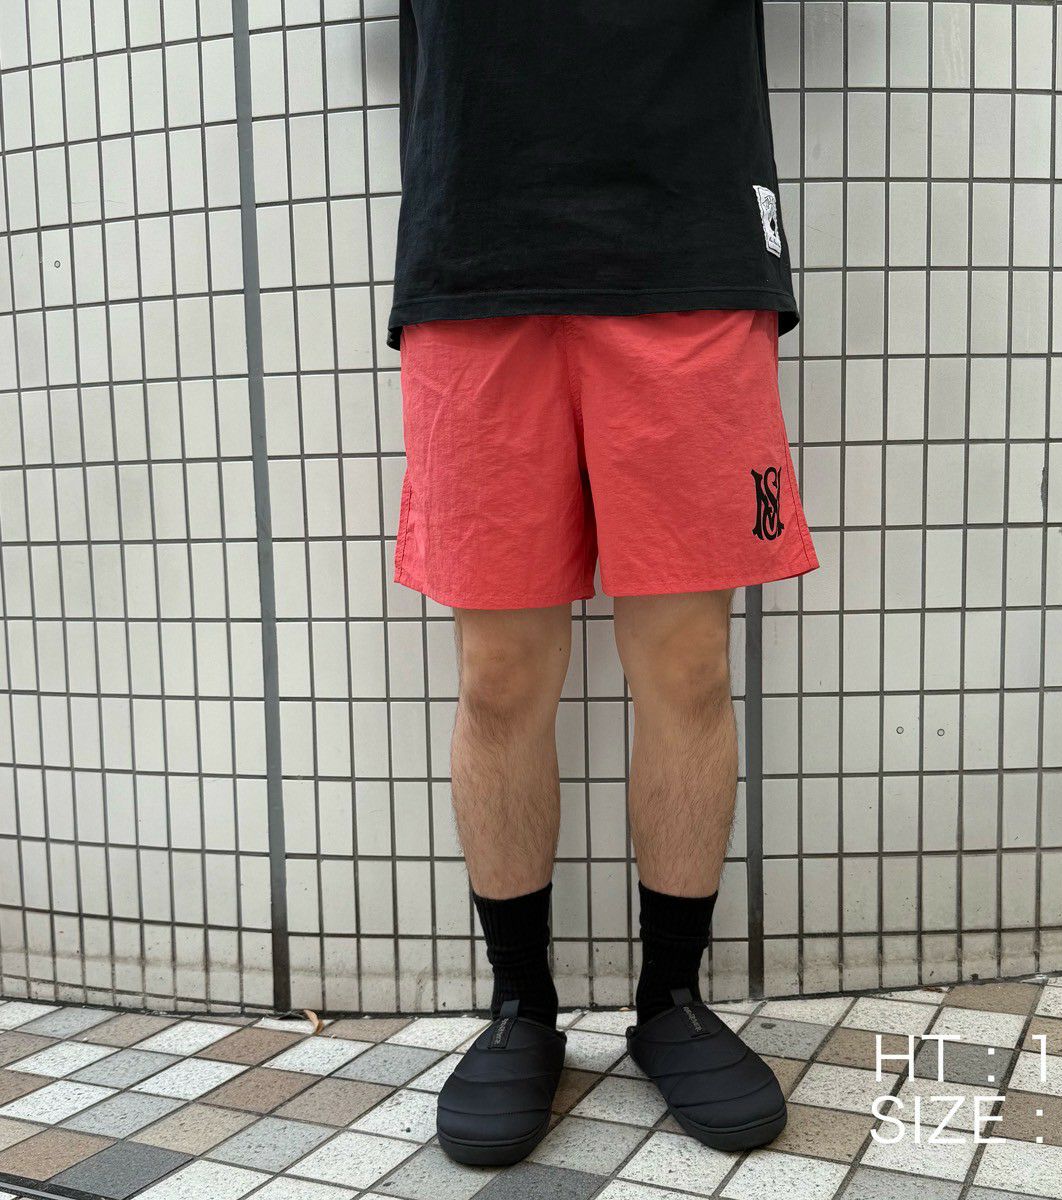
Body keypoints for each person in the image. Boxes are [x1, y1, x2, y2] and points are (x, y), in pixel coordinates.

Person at [389, 0, 818, 1167]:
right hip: (476, 243)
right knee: (498, 675)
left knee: (687, 666)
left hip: (689, 236)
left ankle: (671, 998)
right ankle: (520, 1007)